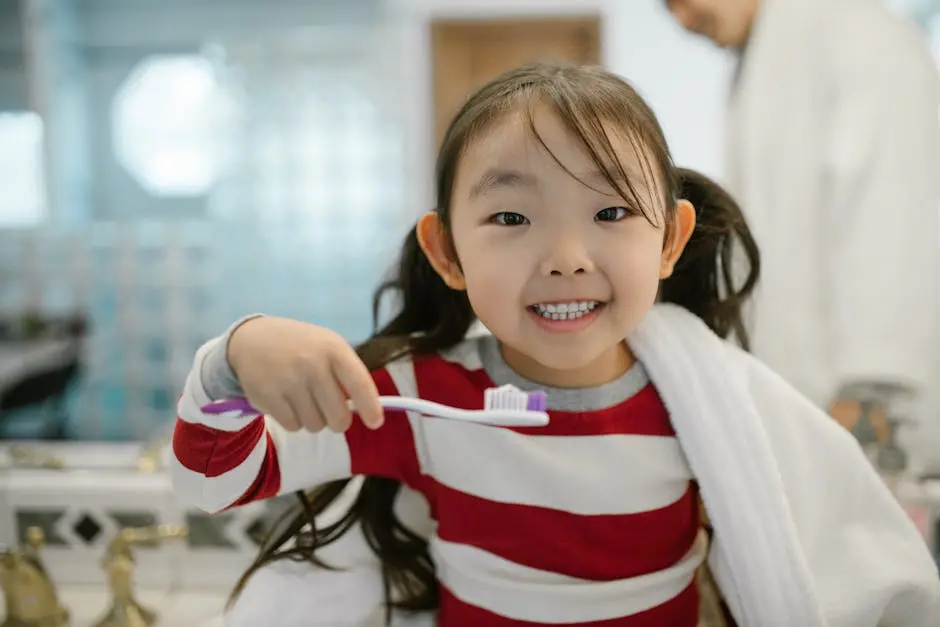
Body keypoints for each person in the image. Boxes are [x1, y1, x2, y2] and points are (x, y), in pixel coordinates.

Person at [169, 62, 940, 626]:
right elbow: (213, 481)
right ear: (446, 253)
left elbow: (819, 548)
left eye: (610, 213)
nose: (566, 256)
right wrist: (234, 358)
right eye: (511, 218)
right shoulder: (419, 399)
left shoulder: (711, 402)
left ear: (670, 239)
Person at [665, 0, 940, 451]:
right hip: (800, 401)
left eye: (679, 0)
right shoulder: (767, 57)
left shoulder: (864, 39)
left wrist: (871, 387)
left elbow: (891, 223)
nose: (681, 20)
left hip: (860, 403)